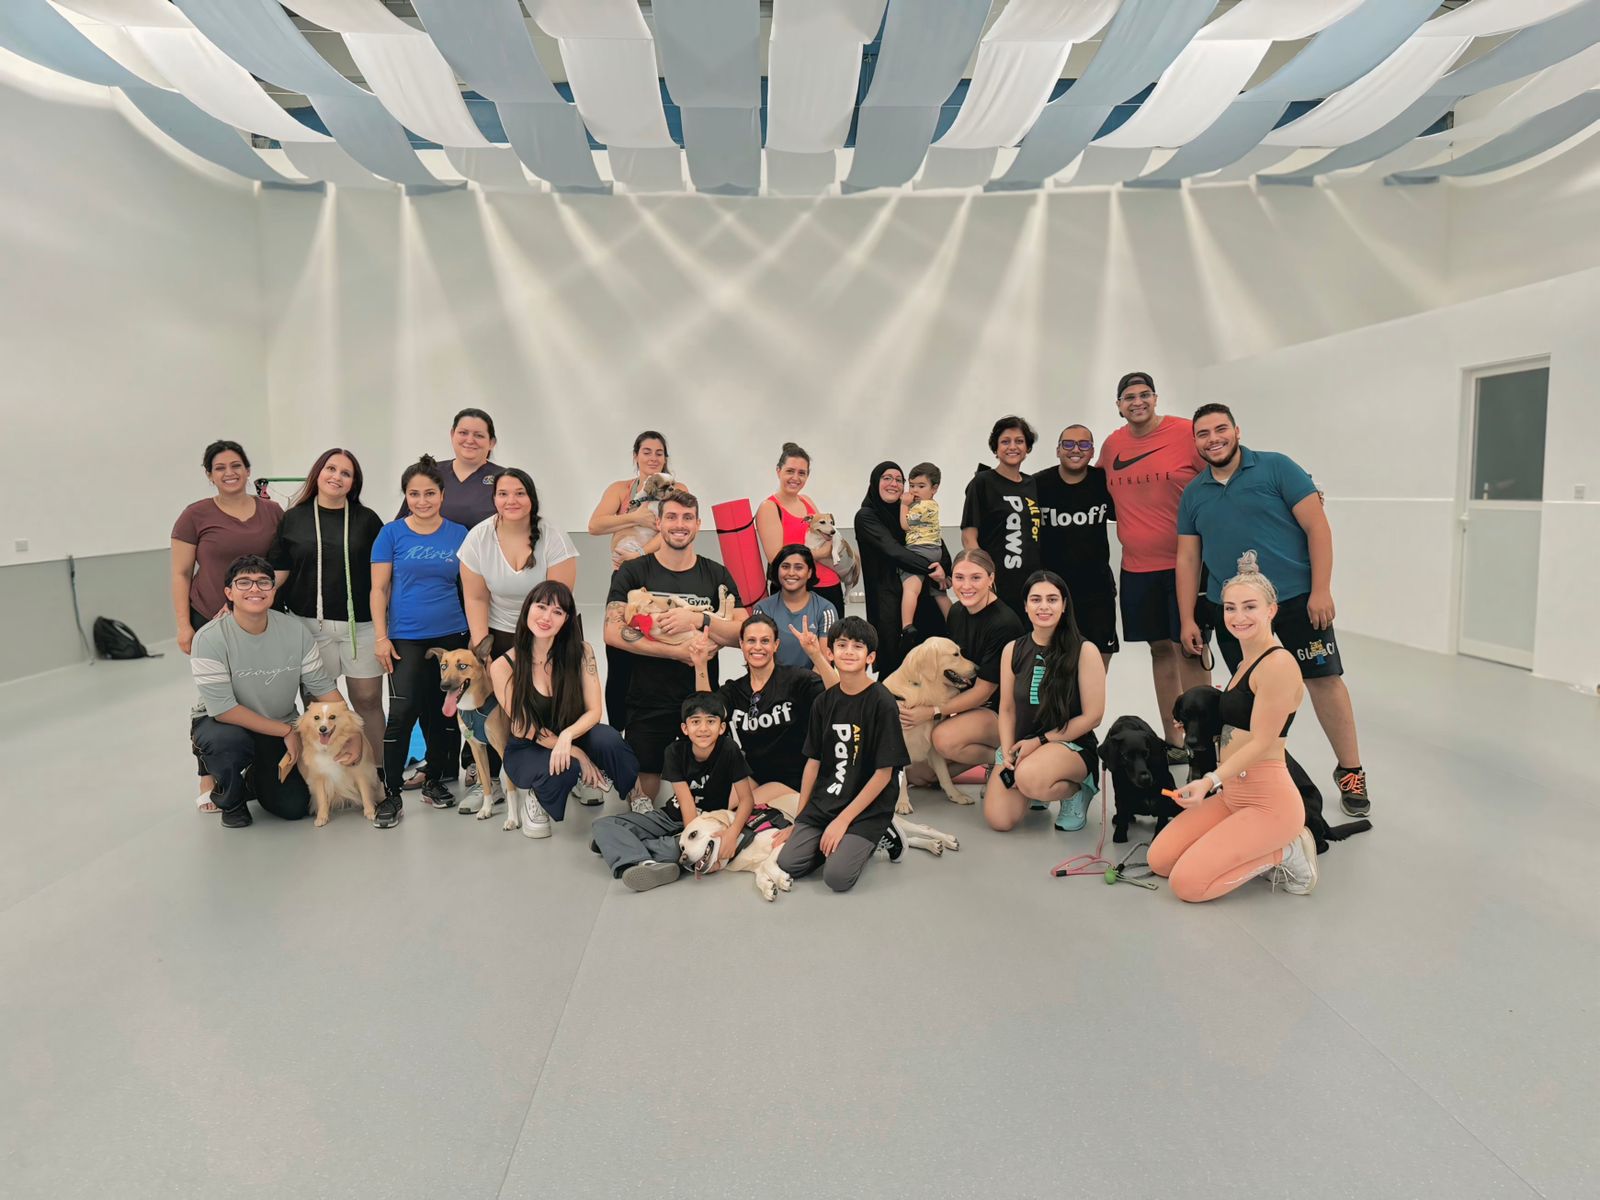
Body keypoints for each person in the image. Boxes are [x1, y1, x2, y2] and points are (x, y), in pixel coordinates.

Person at [1177, 404, 1370, 816]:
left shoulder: (1278, 468)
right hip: (1234, 610)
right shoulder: (1194, 493)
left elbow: (1318, 526)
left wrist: (1322, 590)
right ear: (1195, 442)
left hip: (1298, 600)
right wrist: (1188, 617)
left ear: (1236, 430)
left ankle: (1351, 771)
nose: (1213, 439)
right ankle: (1258, 775)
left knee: (1324, 680)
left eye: (1220, 429)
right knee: (1249, 695)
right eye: (1203, 434)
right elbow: (1189, 560)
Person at [1150, 553, 1320, 900]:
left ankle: (1286, 850)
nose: (1238, 617)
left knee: (1188, 885)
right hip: (1234, 795)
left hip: (1267, 801)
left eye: (1249, 607)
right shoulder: (1246, 660)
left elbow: (1261, 740)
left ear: (1272, 609)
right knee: (1160, 860)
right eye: (1229, 608)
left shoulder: (1279, 664)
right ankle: (1248, 844)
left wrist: (1208, 781)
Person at [189, 556, 363, 829]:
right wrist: (285, 732)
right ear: (229, 593)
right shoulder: (209, 638)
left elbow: (321, 687)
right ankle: (230, 800)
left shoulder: (294, 630)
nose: (254, 589)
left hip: (277, 722)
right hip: (224, 724)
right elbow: (223, 709)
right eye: (243, 582)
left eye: (263, 582)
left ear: (273, 589)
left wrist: (353, 731)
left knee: (294, 807)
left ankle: (253, 778)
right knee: (226, 744)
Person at [604, 489, 747, 814]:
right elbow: (612, 631)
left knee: (720, 800)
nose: (679, 525)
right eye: (671, 517)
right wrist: (677, 651)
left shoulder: (716, 574)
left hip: (701, 702)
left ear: (697, 524)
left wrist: (698, 618)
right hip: (648, 701)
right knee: (642, 801)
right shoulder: (633, 572)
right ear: (658, 522)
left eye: (687, 518)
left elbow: (743, 633)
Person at [1097, 372, 1208, 761]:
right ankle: (1175, 741)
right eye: (1129, 396)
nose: (1137, 401)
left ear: (1156, 398)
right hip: (1137, 568)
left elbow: (1228, 464)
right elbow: (1089, 485)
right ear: (1119, 405)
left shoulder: (1185, 433)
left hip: (1186, 565)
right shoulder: (1112, 445)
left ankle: (1202, 743)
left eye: (1144, 394)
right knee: (1160, 649)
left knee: (1190, 649)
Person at [172, 439, 284, 812]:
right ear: (209, 475)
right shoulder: (195, 515)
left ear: (249, 470)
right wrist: (184, 625)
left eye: (236, 465)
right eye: (220, 467)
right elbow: (180, 572)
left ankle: (263, 759)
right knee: (214, 696)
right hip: (210, 615)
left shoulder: (272, 511)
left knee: (261, 683)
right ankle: (208, 773)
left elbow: (280, 563)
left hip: (257, 613)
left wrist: (256, 598)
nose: (229, 472)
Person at [458, 467, 579, 811]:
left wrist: (539, 646)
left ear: (532, 498)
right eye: (503, 494)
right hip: (497, 633)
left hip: (549, 631)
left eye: (519, 493)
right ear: (493, 499)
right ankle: (495, 780)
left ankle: (571, 769)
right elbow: (477, 598)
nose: (511, 500)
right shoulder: (478, 538)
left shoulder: (553, 536)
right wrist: (483, 650)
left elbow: (560, 600)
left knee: (555, 701)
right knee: (494, 712)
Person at [771, 617, 910, 893]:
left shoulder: (882, 702)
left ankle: (881, 833)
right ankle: (835, 840)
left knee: (837, 877)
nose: (849, 651)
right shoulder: (824, 701)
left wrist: (843, 821)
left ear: (870, 657)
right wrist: (800, 821)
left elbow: (885, 774)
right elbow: (813, 762)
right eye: (842, 645)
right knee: (788, 863)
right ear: (830, 653)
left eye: (857, 647)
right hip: (827, 800)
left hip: (867, 807)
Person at [269, 448, 386, 768]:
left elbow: (384, 574)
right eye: (330, 469)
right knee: (317, 705)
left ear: (353, 482)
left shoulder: (368, 520)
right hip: (309, 627)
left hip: (360, 627)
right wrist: (245, 599)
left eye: (345, 473)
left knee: (368, 700)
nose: (336, 476)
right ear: (317, 473)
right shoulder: (294, 518)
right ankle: (324, 775)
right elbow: (280, 569)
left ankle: (379, 775)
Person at [494, 582, 639, 839]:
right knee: (566, 765)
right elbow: (522, 727)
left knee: (610, 740)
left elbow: (594, 711)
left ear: (567, 619)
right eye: (541, 607)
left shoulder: (582, 652)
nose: (547, 617)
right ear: (527, 609)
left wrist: (567, 736)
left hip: (572, 734)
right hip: (529, 746)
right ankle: (537, 797)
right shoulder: (503, 665)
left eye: (558, 612)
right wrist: (578, 753)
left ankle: (636, 795)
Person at [371, 455, 470, 812]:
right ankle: (392, 792)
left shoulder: (459, 534)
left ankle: (435, 781)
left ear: (442, 495)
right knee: (402, 711)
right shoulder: (391, 533)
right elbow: (378, 590)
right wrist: (382, 637)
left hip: (452, 635)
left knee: (443, 713)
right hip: (406, 638)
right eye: (414, 494)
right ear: (406, 497)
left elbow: (472, 590)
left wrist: (473, 636)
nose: (422, 501)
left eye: (430, 493)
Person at [589, 694, 756, 892]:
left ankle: (622, 847)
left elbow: (746, 799)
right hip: (671, 815)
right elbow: (685, 801)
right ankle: (645, 861)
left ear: (722, 727)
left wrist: (731, 833)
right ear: (685, 728)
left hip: (705, 822)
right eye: (695, 722)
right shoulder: (674, 751)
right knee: (602, 824)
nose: (703, 729)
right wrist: (688, 837)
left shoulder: (729, 750)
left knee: (672, 849)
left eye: (711, 721)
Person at [983, 571, 1106, 833]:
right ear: (1025, 606)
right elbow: (1006, 708)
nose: (1044, 607)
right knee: (1000, 820)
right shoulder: (1012, 649)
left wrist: (1040, 741)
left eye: (1052, 599)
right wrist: (1006, 752)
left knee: (1029, 778)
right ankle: (1034, 784)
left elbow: (1093, 716)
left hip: (1068, 743)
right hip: (1021, 745)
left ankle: (1076, 790)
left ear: (1064, 606)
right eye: (1036, 599)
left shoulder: (1085, 650)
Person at [689, 612, 839, 808]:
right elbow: (706, 713)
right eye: (751, 640)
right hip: (755, 775)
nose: (757, 647)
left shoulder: (796, 679)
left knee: (737, 811)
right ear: (741, 645)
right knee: (713, 807)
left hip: (794, 779)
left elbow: (838, 696)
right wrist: (700, 665)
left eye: (765, 641)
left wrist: (816, 655)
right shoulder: (735, 689)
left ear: (775, 645)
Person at [904, 550, 1026, 784]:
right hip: (972, 709)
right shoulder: (958, 612)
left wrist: (931, 712)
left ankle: (1010, 758)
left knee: (943, 739)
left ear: (991, 578)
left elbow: (983, 692)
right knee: (919, 775)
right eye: (959, 577)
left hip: (1006, 713)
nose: (966, 586)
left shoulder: (1004, 624)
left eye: (976, 578)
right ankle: (991, 756)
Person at [587, 430, 681, 732]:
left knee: (662, 652)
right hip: (625, 579)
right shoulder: (620, 489)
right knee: (620, 655)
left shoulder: (676, 489)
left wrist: (639, 553)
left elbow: (674, 531)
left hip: (662, 576)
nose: (653, 458)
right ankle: (617, 733)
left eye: (659, 452)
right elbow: (595, 525)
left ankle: (663, 732)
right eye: (647, 452)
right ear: (635, 456)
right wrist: (635, 519)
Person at [1033, 424, 1119, 668]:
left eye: (1084, 445)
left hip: (1097, 589)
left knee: (1099, 654)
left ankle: (1091, 705)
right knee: (1051, 658)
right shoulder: (1038, 485)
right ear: (1058, 450)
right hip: (1052, 589)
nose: (1076, 450)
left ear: (1092, 452)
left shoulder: (1103, 483)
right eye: (1068, 444)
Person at [853, 461, 949, 678]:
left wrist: (944, 567)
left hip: (920, 598)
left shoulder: (911, 512)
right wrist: (931, 568)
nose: (893, 484)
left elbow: (936, 542)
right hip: (888, 602)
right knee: (894, 670)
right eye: (887, 478)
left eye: (899, 479)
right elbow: (893, 551)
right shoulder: (866, 516)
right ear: (875, 482)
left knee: (929, 669)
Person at [961, 416, 1041, 622]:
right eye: (1005, 441)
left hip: (1030, 585)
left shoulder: (1033, 484)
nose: (1012, 447)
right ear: (995, 448)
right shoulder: (982, 482)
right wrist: (984, 581)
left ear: (1028, 448)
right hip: (998, 586)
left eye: (1019, 441)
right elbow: (969, 538)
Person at [755, 442, 847, 614]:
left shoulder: (807, 500)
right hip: (795, 592)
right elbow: (777, 558)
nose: (795, 478)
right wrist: (820, 553)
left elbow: (830, 538)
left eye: (802, 473)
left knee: (831, 641)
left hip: (830, 586)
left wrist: (822, 550)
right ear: (778, 471)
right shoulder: (769, 507)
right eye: (790, 471)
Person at [398, 407, 501, 528]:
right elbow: (400, 526)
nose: (470, 440)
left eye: (479, 435)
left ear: (491, 442)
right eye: (463, 433)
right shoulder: (429, 472)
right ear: (452, 434)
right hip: (425, 547)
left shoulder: (505, 479)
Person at [752, 544, 839, 671]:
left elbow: (824, 661)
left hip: (813, 685)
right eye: (785, 567)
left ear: (809, 572)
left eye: (798, 567)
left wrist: (808, 688)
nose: (791, 573)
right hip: (773, 685)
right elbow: (759, 657)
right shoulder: (762, 609)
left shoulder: (826, 609)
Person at [898, 462, 951, 645]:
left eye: (921, 486)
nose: (915, 491)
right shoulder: (933, 505)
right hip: (935, 550)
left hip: (918, 550)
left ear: (934, 488)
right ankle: (953, 623)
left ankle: (907, 625)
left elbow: (905, 525)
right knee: (939, 593)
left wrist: (904, 505)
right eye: (912, 485)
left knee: (911, 589)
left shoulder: (921, 506)